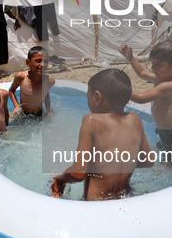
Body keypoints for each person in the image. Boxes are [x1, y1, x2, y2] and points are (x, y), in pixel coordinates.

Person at [51, 69, 154, 201]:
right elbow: (148, 160)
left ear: (97, 97)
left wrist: (60, 180)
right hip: (126, 197)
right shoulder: (135, 120)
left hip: (97, 205)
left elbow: (78, 173)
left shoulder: (91, 121)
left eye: (87, 97)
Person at [119, 40, 172, 166]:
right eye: (152, 63)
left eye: (159, 65)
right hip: (166, 134)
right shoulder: (160, 78)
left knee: (168, 170)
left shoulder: (170, 86)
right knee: (162, 164)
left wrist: (117, 88)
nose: (153, 68)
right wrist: (131, 58)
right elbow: (142, 73)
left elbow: (141, 98)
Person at [9, 46, 56, 118]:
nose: (43, 64)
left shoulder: (49, 81)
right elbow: (11, 90)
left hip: (40, 113)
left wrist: (48, 109)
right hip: (23, 113)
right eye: (38, 61)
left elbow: (45, 93)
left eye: (46, 61)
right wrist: (17, 106)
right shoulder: (21, 77)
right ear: (28, 62)